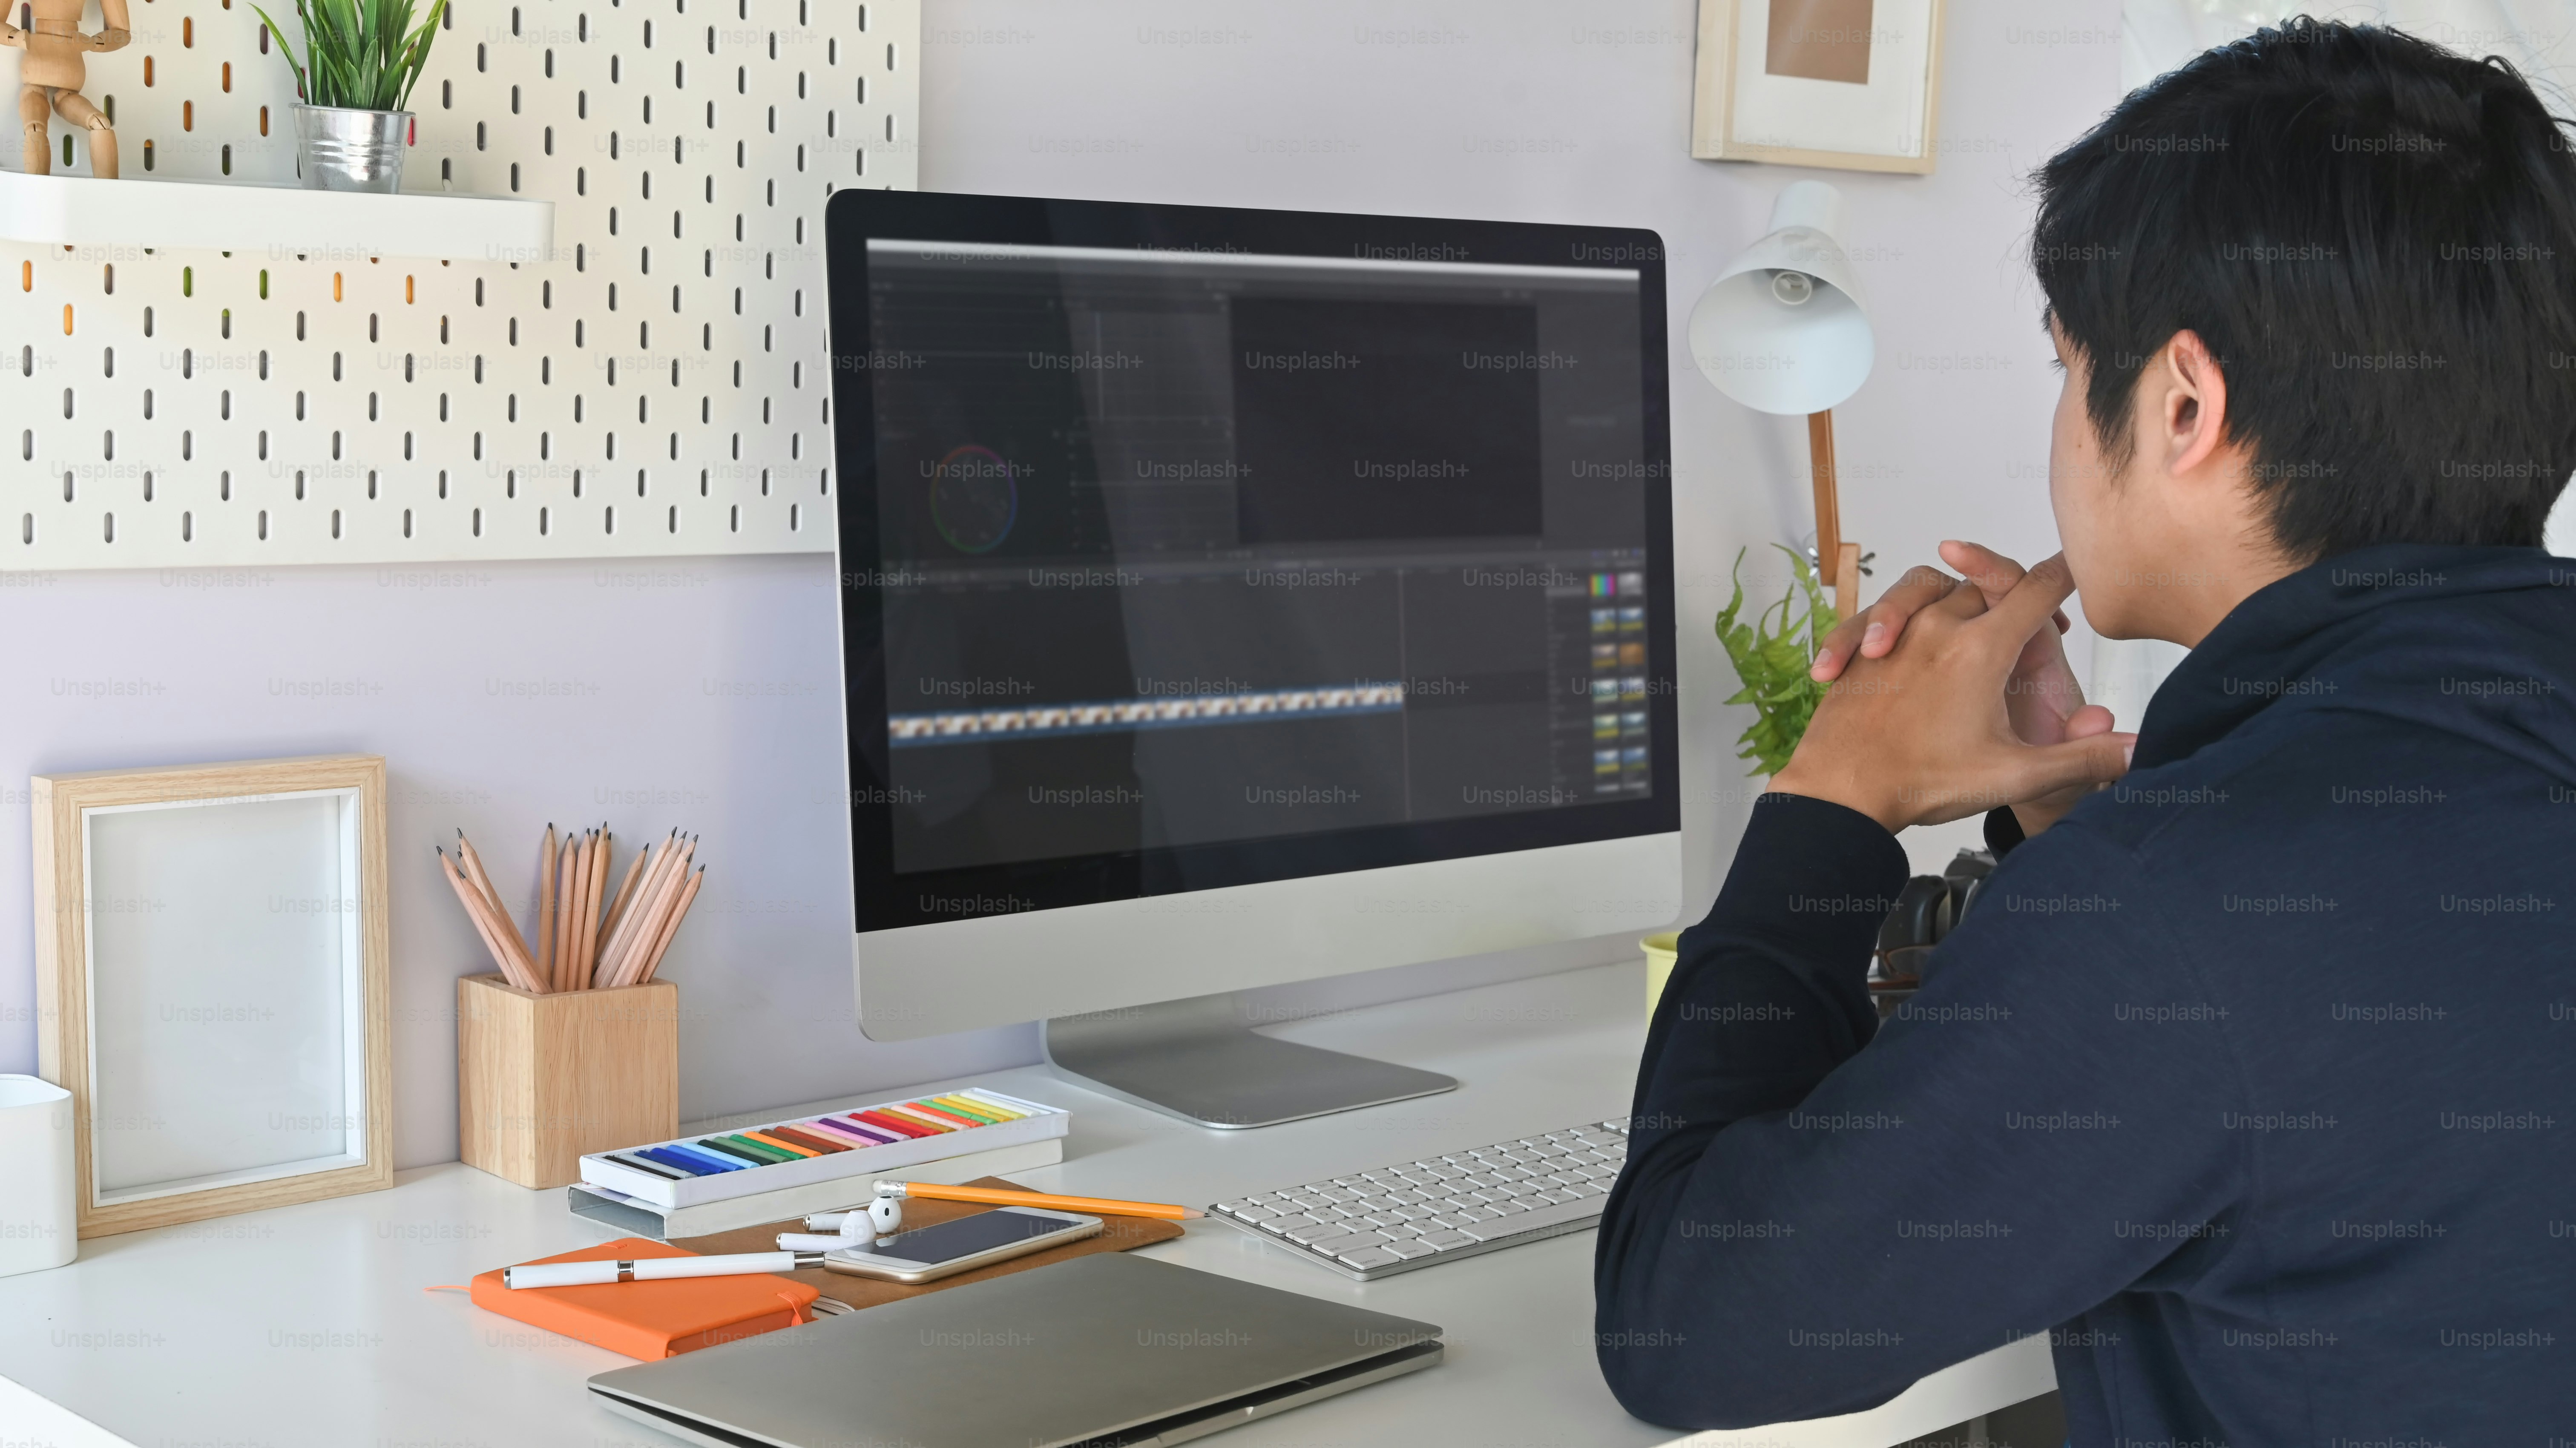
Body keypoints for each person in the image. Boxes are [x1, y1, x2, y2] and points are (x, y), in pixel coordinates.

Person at [1594, 18, 2576, 1442]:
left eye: (2067, 366)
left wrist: (1834, 802)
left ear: (2184, 403)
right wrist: (2091, 836)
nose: (2060, 424)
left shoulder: (2186, 917)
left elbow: (1689, 1331)